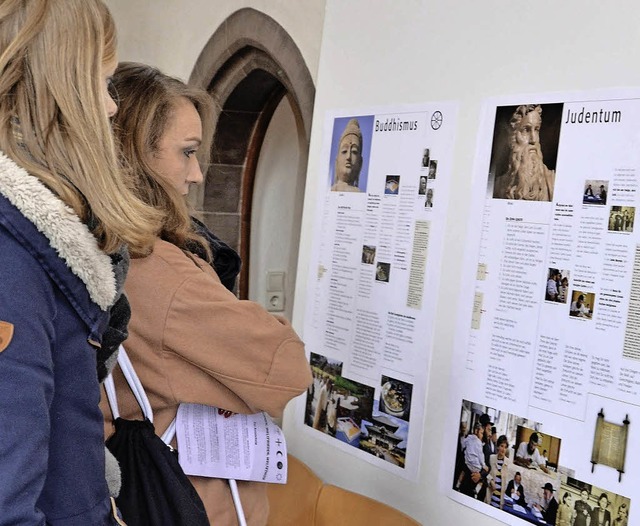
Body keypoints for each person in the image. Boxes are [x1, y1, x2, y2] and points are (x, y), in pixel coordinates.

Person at [100, 62, 312, 526]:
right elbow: (286, 368)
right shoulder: (155, 267)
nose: (196, 174)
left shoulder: (96, 247)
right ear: (135, 153)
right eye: (187, 152)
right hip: (193, 502)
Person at [0, 2, 163, 523]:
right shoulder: (10, 253)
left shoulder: (32, 241)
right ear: (60, 90)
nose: (113, 108)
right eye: (103, 82)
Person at [493, 104, 555, 201]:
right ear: (512, 137)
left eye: (536, 130)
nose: (533, 140)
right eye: (526, 130)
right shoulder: (497, 186)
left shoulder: (553, 181)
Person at [331, 118, 364, 192]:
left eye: (354, 152)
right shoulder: (332, 191)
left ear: (360, 163)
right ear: (337, 160)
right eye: (344, 151)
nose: (348, 157)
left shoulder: (359, 193)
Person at [488, 435, 510, 508]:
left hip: (500, 501)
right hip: (490, 497)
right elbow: (486, 473)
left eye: (505, 447)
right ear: (497, 447)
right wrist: (490, 481)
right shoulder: (491, 458)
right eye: (501, 446)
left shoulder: (508, 463)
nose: (503, 449)